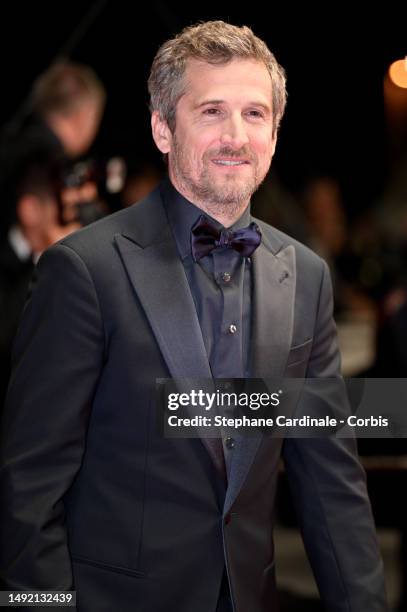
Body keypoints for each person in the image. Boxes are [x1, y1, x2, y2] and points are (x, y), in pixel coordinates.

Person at [0, 21, 388, 612]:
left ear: (276, 135)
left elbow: (331, 481)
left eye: (255, 114)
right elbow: (28, 491)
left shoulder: (307, 277)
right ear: (163, 128)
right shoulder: (83, 270)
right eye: (212, 111)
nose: (236, 135)